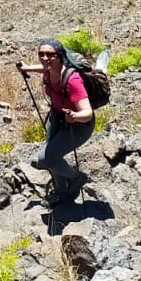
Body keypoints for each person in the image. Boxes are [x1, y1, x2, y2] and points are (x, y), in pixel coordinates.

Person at [16, 39, 94, 200]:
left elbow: (88, 112)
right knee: (52, 157)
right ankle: (62, 190)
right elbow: (43, 68)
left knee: (45, 159)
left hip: (78, 126)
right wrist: (27, 68)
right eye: (41, 54)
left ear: (59, 56)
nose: (45, 58)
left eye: (50, 55)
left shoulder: (72, 80)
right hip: (58, 120)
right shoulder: (49, 70)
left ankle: (76, 178)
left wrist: (75, 116)